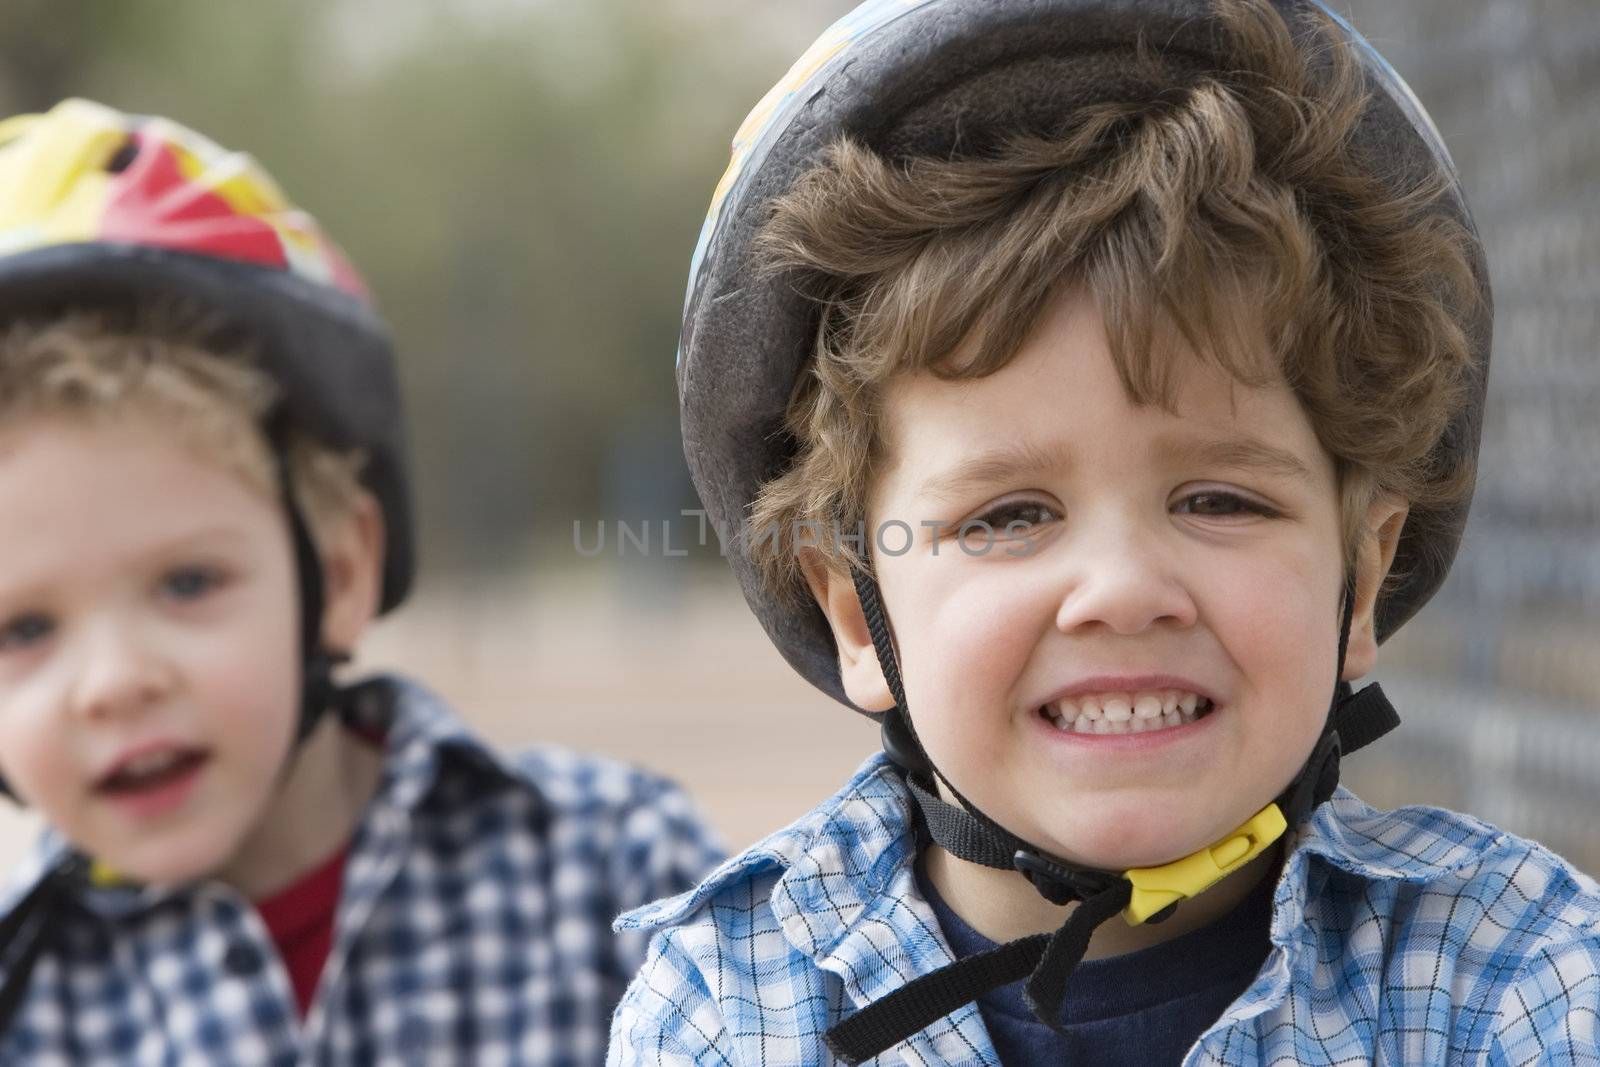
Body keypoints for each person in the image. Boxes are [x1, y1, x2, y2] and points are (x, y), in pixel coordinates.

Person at [608, 1, 1600, 1063]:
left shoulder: (1519, 979)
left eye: (1219, 500)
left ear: (1359, 579)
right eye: (1008, 515)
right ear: (857, 610)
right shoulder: (734, 1004)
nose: (1124, 589)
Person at [0, 98, 722, 1065]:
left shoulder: (615, 875)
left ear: (336, 571)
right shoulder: (25, 1003)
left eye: (185, 583)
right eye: (23, 630)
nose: (113, 681)